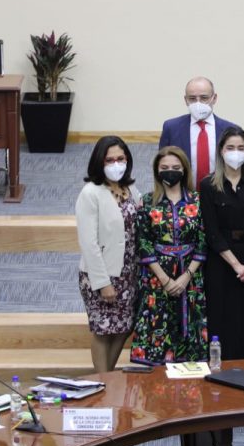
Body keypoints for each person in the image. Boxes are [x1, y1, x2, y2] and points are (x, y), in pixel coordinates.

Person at [130, 146, 208, 365]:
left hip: (190, 277)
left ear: (184, 169)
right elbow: (143, 242)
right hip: (157, 277)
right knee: (157, 327)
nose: (170, 171)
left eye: (175, 167)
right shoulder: (147, 201)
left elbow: (203, 241)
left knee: (190, 331)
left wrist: (186, 277)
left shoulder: (197, 200)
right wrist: (164, 279)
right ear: (156, 170)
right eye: (164, 167)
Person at [199, 128, 244, 360]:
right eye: (230, 148)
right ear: (221, 151)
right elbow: (212, 232)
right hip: (222, 263)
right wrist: (237, 266)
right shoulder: (208, 185)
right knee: (223, 321)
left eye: (240, 148)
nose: (235, 153)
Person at [76, 136, 141, 372]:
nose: (116, 164)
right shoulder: (91, 193)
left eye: (120, 159)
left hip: (129, 273)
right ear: (99, 162)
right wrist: (102, 283)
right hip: (101, 274)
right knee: (103, 331)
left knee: (123, 327)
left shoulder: (130, 188)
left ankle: (107, 376)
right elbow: (89, 243)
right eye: (110, 160)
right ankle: (103, 381)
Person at [159, 76, 240, 188]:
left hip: (220, 196)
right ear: (185, 100)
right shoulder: (171, 128)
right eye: (192, 98)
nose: (198, 103)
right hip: (183, 197)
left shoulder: (230, 130)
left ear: (214, 98)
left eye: (204, 98)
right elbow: (162, 166)